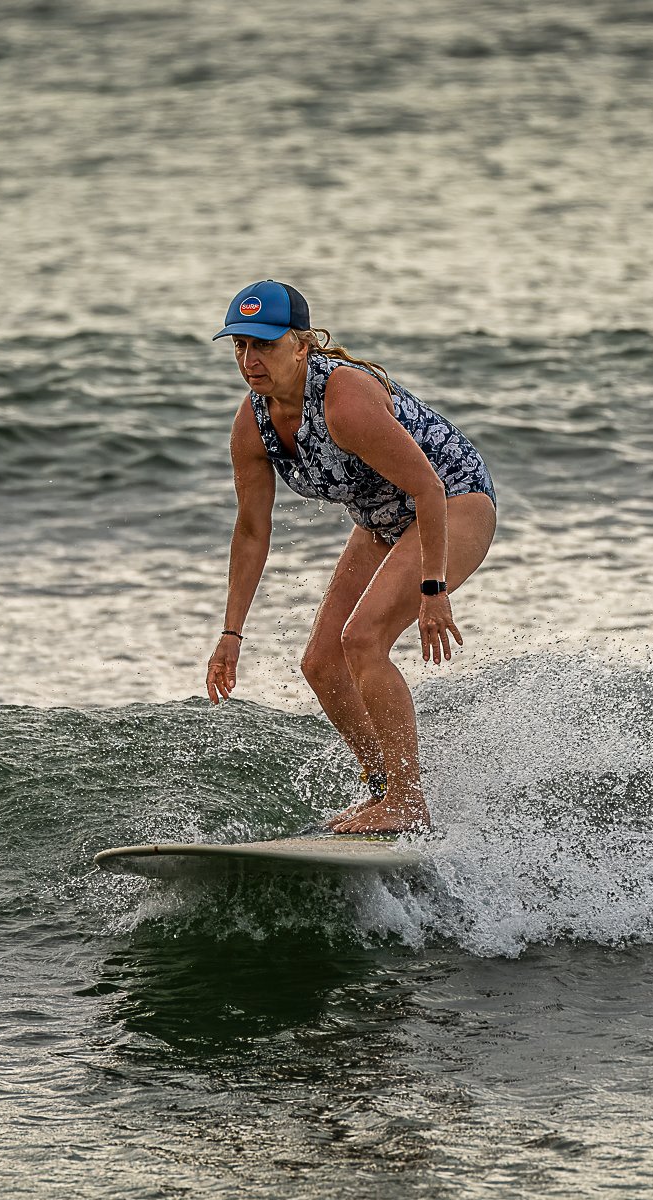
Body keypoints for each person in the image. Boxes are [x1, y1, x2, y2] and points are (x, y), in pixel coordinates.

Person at [203, 279, 498, 835]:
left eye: (264, 344)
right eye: (240, 345)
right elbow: (250, 533)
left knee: (362, 640)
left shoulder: (345, 400)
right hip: (382, 519)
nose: (250, 359)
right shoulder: (254, 424)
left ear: (302, 344)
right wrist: (231, 634)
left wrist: (433, 592)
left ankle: (409, 801)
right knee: (320, 662)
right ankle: (382, 790)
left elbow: (429, 489)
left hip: (453, 502)